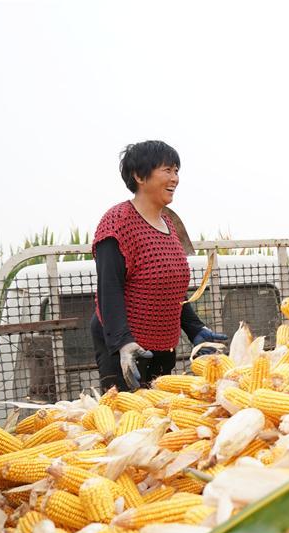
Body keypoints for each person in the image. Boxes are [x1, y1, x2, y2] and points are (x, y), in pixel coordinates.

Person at [90, 140, 226, 392]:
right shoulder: (118, 222)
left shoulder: (169, 223)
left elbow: (169, 288)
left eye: (177, 171)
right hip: (126, 349)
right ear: (139, 176)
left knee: (159, 410)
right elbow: (109, 288)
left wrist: (194, 328)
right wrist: (123, 343)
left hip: (162, 345)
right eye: (167, 170)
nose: (175, 178)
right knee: (129, 411)